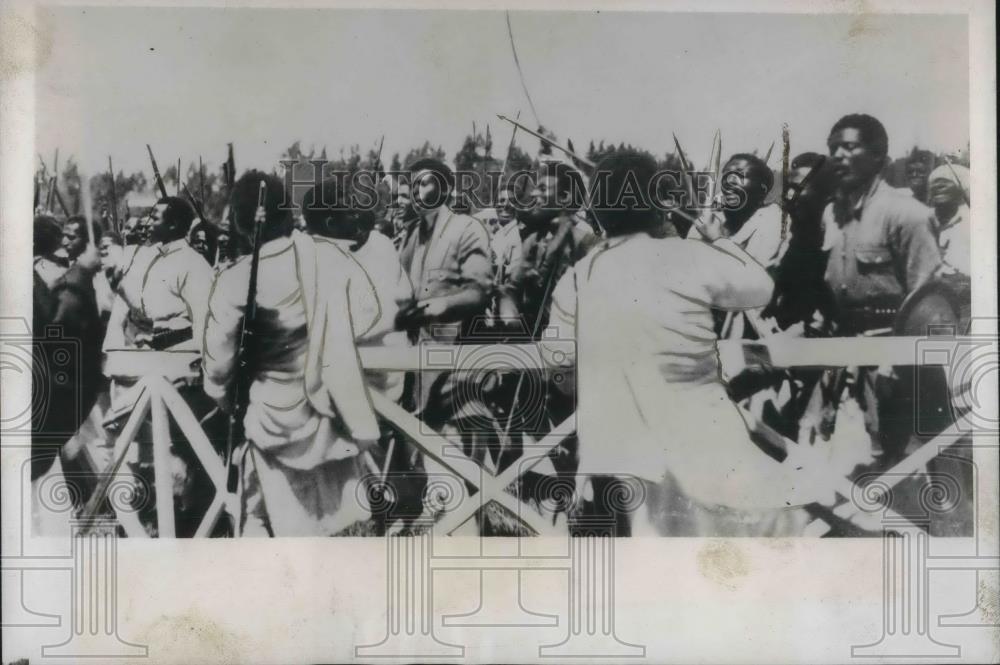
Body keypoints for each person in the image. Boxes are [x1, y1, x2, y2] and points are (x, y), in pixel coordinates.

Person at [542, 150, 831, 536]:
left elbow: (560, 370)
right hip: (701, 448)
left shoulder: (578, 277)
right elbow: (759, 288)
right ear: (658, 208)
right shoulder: (688, 256)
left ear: (598, 212)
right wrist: (720, 241)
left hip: (618, 455)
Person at [203, 171, 386, 536]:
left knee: (260, 521)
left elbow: (219, 366)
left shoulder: (234, 279)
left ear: (240, 221)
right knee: (337, 530)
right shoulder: (327, 258)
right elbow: (371, 316)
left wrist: (224, 400)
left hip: (268, 420)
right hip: (331, 414)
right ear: (287, 213)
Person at [822, 113, 942, 468]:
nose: (838, 156)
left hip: (895, 369)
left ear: (878, 157)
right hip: (842, 362)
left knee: (900, 472)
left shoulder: (907, 215)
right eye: (833, 149)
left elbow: (928, 301)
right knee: (839, 470)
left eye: (849, 146)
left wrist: (898, 360)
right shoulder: (834, 214)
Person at [394, 158, 494, 477]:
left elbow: (479, 291)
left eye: (425, 183)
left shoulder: (467, 228)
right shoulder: (411, 235)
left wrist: (438, 308)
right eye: (413, 185)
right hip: (418, 362)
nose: (417, 192)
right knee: (427, 449)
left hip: (459, 359)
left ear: (446, 188)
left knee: (460, 454)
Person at [103, 196, 213, 352]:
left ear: (173, 225)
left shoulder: (193, 264)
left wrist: (162, 342)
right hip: (147, 352)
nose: (147, 224)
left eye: (154, 219)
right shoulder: (153, 256)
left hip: (177, 361)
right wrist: (120, 287)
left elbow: (204, 326)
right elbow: (148, 311)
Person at [927, 162, 970, 275]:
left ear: (960, 188)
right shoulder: (923, 219)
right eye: (934, 183)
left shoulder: (970, 223)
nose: (937, 186)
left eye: (946, 181)